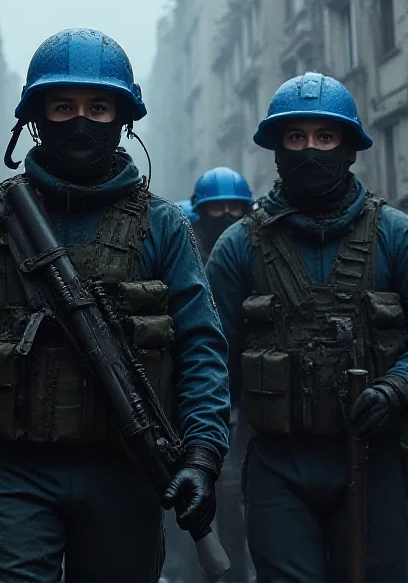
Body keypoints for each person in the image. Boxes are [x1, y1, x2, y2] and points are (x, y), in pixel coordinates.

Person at [0, 28, 231, 583]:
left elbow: (201, 348)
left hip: (127, 470)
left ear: (123, 119)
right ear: (35, 116)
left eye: (98, 107)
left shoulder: (163, 225)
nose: (81, 121)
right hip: (17, 470)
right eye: (63, 106)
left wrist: (202, 455)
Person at [208, 72, 408, 583]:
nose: (310, 149)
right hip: (278, 463)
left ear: (349, 147)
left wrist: (397, 386)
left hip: (377, 455)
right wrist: (203, 452)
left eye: (325, 136)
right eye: (295, 137)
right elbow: (207, 357)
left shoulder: (394, 234)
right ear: (276, 148)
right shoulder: (238, 246)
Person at [190, 167, 255, 583]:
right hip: (202, 399)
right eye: (217, 209)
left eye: (235, 208)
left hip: (249, 400)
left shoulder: (255, 253)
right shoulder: (187, 255)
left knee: (240, 497)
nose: (227, 215)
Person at [191, 167, 253, 266]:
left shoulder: (257, 245)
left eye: (234, 206)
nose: (226, 213)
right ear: (202, 211)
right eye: (217, 207)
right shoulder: (188, 249)